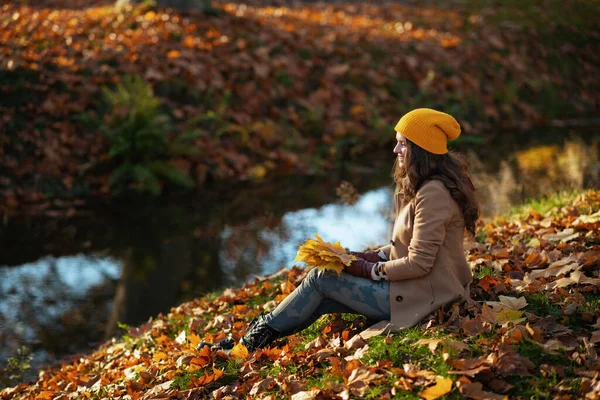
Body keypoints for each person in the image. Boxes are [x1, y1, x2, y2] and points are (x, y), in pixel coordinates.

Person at [198, 108, 480, 352]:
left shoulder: (433, 194)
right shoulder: (424, 187)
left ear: (420, 149)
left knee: (322, 278)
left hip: (425, 295)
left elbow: (419, 262)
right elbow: (404, 246)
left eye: (402, 144)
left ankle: (249, 344)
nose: (396, 151)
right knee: (321, 294)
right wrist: (364, 256)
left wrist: (369, 270)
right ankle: (248, 345)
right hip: (413, 286)